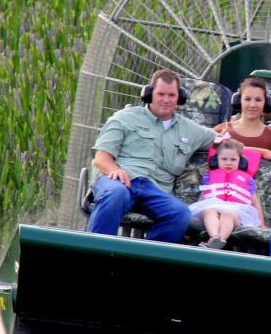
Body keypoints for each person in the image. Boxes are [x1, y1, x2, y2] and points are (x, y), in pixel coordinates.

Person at [87, 69, 216, 243]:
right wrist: (114, 170)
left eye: (171, 95)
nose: (166, 100)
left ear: (180, 97)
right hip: (121, 181)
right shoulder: (125, 118)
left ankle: (145, 263)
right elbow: (101, 158)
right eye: (161, 94)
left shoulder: (190, 129)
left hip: (155, 190)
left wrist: (264, 150)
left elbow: (226, 140)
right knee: (115, 194)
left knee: (181, 213)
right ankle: (96, 254)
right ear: (148, 94)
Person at [188, 138, 264, 249]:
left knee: (227, 214)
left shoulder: (248, 180)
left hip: (236, 212)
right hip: (213, 206)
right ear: (216, 160)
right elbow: (204, 197)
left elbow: (255, 203)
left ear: (241, 161)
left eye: (233, 159)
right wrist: (196, 208)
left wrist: (261, 224)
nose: (228, 163)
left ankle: (220, 240)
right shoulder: (209, 176)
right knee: (208, 211)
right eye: (224, 159)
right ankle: (214, 238)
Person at [213, 76, 271, 164]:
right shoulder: (221, 130)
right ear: (238, 101)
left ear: (266, 103)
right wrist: (262, 153)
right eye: (247, 99)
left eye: (258, 100)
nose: (252, 105)